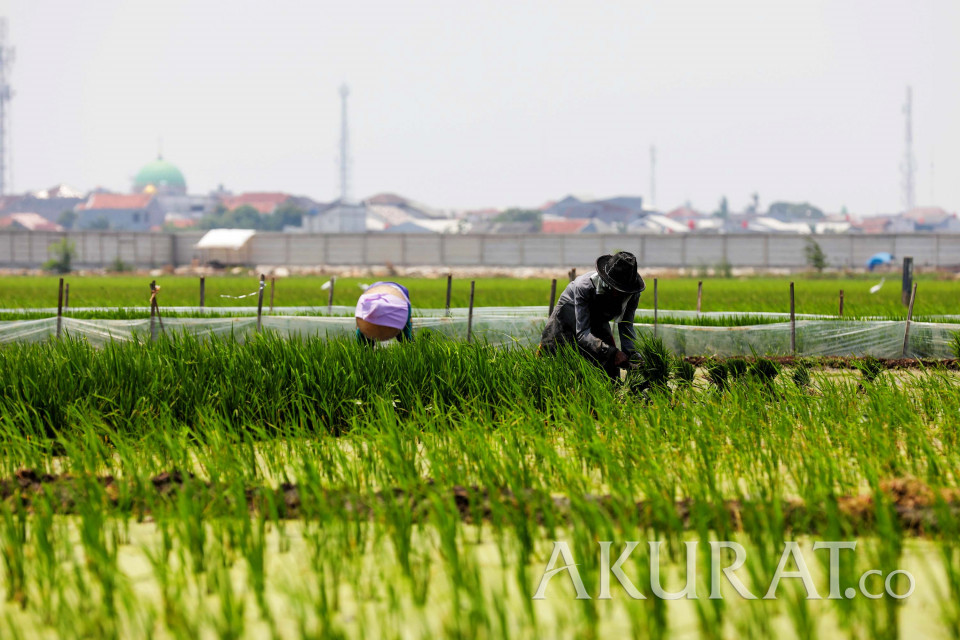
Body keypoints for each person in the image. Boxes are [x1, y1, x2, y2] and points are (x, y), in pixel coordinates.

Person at [539, 252, 646, 380]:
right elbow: (582, 333)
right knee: (556, 360)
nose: (617, 294)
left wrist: (632, 354)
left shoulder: (632, 294)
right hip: (569, 313)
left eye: (622, 290)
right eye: (615, 288)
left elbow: (626, 326)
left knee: (610, 373)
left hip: (599, 319)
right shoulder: (584, 286)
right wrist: (614, 353)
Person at [355, 281, 414, 346]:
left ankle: (409, 346)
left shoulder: (402, 305)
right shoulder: (367, 301)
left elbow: (407, 324)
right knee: (364, 338)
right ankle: (366, 349)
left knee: (405, 336)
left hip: (399, 299)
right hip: (373, 294)